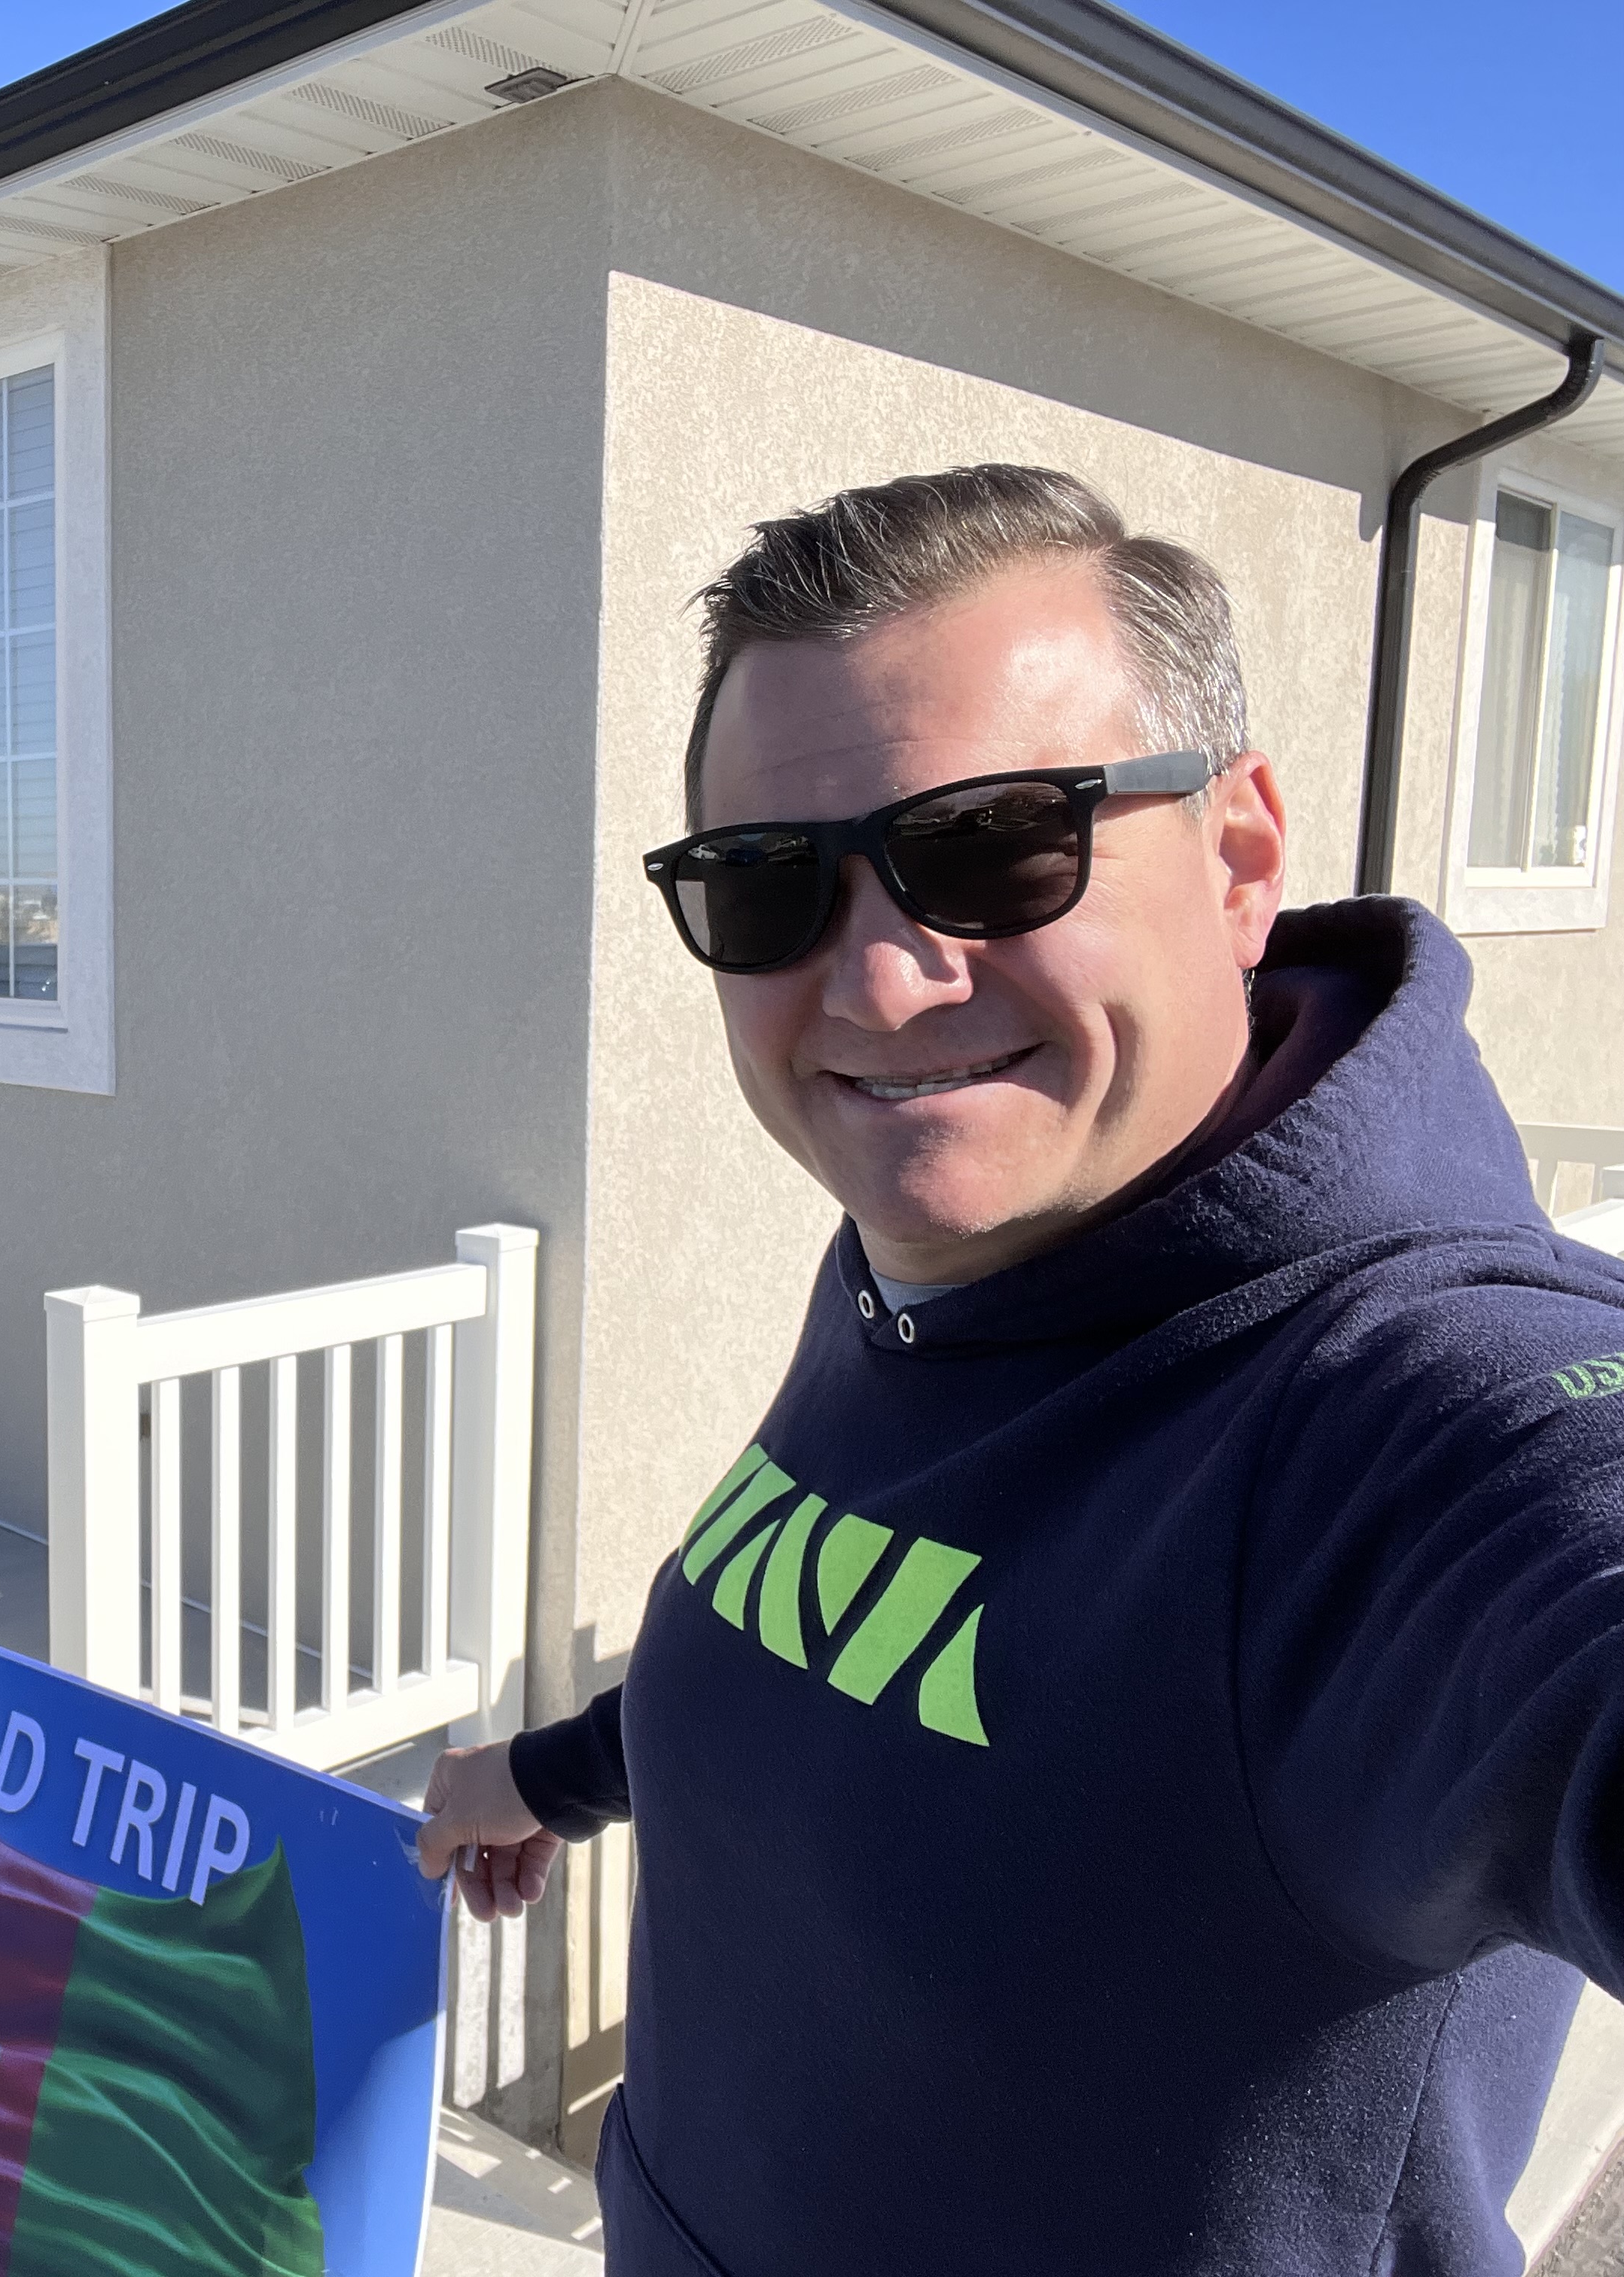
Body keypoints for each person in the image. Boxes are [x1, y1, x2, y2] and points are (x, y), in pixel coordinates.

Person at [417, 465, 1624, 2275]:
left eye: (994, 847)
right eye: (768, 891)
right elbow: (870, 1626)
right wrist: (564, 1767)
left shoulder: (1408, 1418)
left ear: (1239, 854)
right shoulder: (948, 1249)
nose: (885, 984)